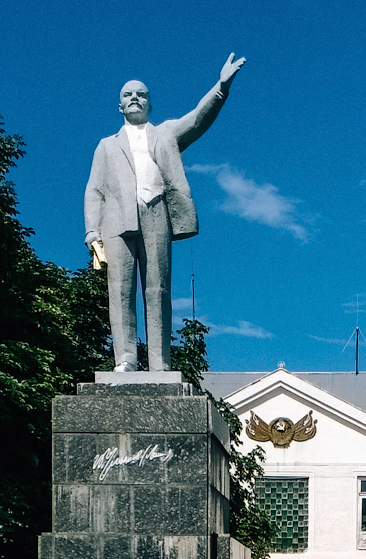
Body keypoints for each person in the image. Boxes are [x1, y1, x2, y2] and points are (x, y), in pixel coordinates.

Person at [84, 54, 246, 371]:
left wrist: (221, 88)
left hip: (155, 215)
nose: (134, 98)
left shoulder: (166, 133)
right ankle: (126, 359)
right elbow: (94, 190)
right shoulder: (106, 145)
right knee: (120, 291)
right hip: (116, 224)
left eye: (141, 94)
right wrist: (93, 233)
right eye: (127, 95)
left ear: (149, 104)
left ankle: (160, 363)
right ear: (120, 106)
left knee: (158, 291)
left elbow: (198, 118)